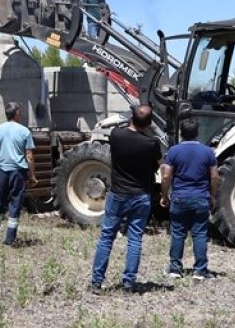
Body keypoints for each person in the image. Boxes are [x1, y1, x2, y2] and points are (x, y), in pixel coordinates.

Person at [89, 104, 161, 293]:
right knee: (135, 239)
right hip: (141, 195)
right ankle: (129, 283)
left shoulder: (116, 135)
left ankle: (96, 281)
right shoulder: (152, 144)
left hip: (118, 194)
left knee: (106, 237)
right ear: (149, 123)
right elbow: (159, 164)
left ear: (131, 118)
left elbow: (118, 128)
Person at [161, 118, 220, 280]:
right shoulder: (208, 152)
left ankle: (175, 269)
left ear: (181, 133)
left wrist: (164, 195)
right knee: (200, 234)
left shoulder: (174, 151)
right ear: (197, 133)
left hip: (180, 197)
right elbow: (214, 176)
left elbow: (166, 176)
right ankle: (200, 270)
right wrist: (212, 195)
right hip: (201, 197)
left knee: (178, 233)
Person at [0, 102, 37, 246]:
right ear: (16, 113)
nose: (21, 114)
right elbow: (29, 156)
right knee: (15, 204)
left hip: (2, 171)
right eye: (20, 111)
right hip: (18, 173)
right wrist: (32, 175)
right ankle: (10, 238)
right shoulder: (24, 131)